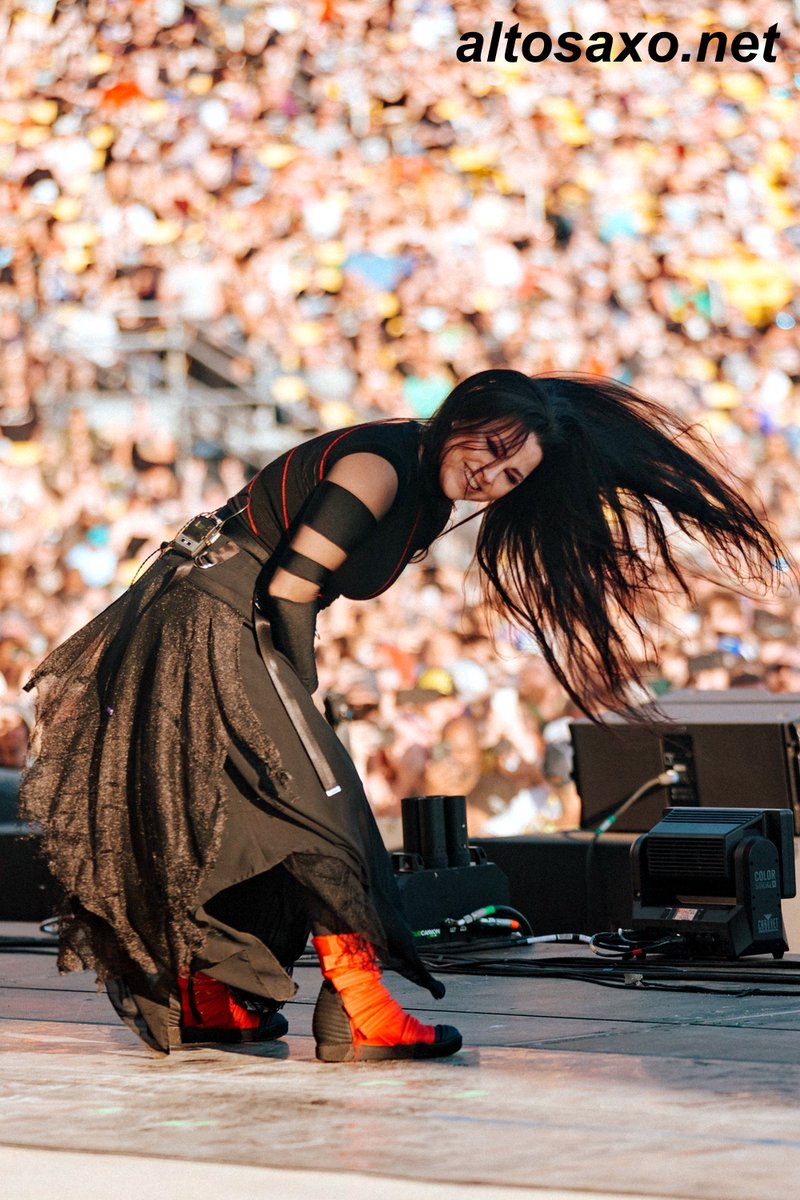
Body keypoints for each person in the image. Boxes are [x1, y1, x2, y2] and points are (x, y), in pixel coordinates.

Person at [19, 369, 785, 1061]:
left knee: (231, 818)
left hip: (213, 617)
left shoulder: (426, 488)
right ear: (466, 411)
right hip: (214, 618)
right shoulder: (381, 466)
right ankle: (358, 1005)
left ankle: (208, 993)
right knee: (328, 806)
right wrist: (299, 688)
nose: (491, 474)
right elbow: (291, 586)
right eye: (492, 447)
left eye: (511, 474)